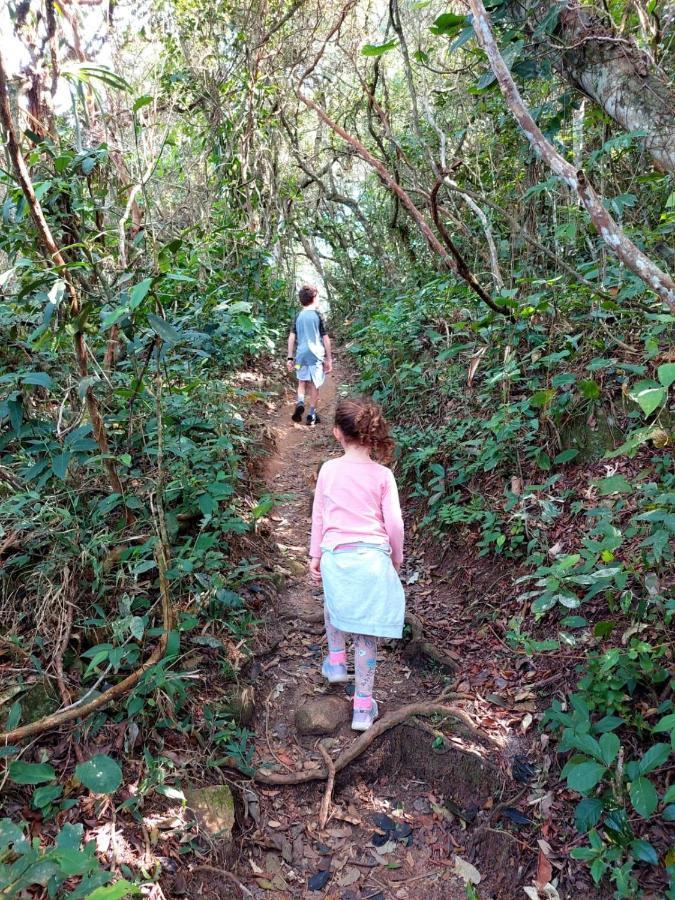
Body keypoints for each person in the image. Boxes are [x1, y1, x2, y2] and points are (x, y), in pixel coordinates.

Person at [309, 398, 405, 731]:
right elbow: (394, 523)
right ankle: (363, 709)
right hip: (371, 559)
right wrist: (396, 556)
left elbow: (319, 515)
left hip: (337, 556)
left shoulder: (328, 470)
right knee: (366, 635)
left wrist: (315, 555)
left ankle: (336, 662)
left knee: (334, 605)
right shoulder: (383, 475)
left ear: (338, 433)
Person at [286, 285, 332, 427]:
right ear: (314, 298)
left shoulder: (298, 316)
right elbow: (325, 338)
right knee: (314, 385)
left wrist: (289, 358)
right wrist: (329, 359)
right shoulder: (317, 315)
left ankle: (300, 401)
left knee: (301, 381)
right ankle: (311, 415)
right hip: (315, 357)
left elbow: (291, 337)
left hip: (300, 357)